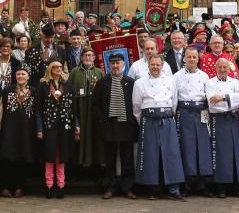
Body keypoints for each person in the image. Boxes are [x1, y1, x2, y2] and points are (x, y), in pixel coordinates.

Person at [132, 54, 184, 200]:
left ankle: (174, 189)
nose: (155, 67)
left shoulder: (170, 81)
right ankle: (152, 188)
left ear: (162, 66)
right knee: (150, 155)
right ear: (148, 65)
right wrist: (144, 122)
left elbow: (174, 103)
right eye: (152, 64)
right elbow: (136, 107)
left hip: (167, 120)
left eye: (158, 65)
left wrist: (167, 116)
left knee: (171, 154)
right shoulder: (139, 83)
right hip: (148, 121)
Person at [93, 52, 139, 199]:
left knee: (127, 159)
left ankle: (127, 187)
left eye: (118, 62)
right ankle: (111, 187)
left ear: (124, 64)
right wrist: (101, 121)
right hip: (109, 125)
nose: (115, 65)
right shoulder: (102, 82)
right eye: (112, 63)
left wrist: (132, 121)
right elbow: (96, 105)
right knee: (110, 159)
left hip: (126, 125)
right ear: (108, 65)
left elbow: (136, 104)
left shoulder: (131, 82)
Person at [173, 46, 212, 196]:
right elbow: (174, 97)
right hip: (184, 113)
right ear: (184, 58)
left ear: (198, 58)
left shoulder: (204, 76)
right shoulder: (176, 76)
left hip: (201, 112)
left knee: (202, 147)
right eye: (189, 57)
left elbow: (208, 96)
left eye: (194, 57)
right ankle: (187, 184)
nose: (192, 59)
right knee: (187, 147)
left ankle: (202, 184)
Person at [36, 60, 77, 199]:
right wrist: (39, 128)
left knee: (62, 156)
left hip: (65, 126)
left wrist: (76, 125)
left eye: (60, 67)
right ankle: (49, 185)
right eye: (55, 67)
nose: (58, 69)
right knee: (49, 155)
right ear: (50, 69)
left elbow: (74, 109)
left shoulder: (68, 86)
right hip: (49, 126)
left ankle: (61, 185)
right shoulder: (43, 86)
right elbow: (38, 110)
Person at [0, 67, 36, 198]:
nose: (21, 76)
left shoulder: (34, 91)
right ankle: (4, 187)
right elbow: (0, 108)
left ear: (28, 76)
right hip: (9, 128)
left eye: (23, 74)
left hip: (26, 130)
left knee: (23, 158)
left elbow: (38, 111)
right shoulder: (7, 90)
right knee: (6, 158)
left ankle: (19, 187)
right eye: (18, 74)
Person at [206, 58, 239, 197]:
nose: (223, 70)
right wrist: (230, 100)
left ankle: (236, 186)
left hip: (233, 119)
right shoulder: (210, 83)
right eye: (220, 67)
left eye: (225, 67)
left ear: (229, 69)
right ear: (216, 68)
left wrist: (222, 97)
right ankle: (221, 187)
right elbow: (212, 103)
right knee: (221, 153)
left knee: (236, 151)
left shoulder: (235, 82)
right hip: (219, 120)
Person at [68, 47, 104, 169]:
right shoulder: (74, 72)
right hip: (79, 110)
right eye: (85, 55)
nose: (88, 58)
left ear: (94, 58)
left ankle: (96, 165)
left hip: (94, 110)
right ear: (81, 57)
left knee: (95, 137)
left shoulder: (99, 73)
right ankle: (79, 166)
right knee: (80, 136)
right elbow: (69, 92)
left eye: (90, 55)